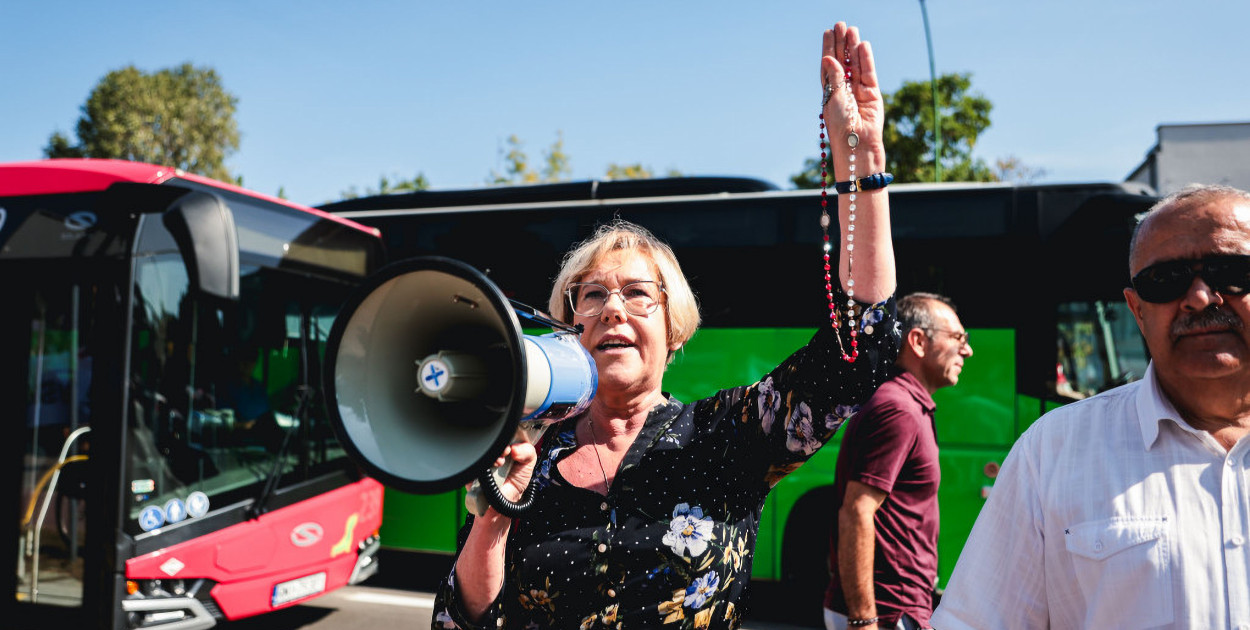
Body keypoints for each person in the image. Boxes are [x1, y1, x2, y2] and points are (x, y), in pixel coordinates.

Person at [431, 22, 901, 630]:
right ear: (573, 325)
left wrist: (861, 163)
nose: (612, 309)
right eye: (593, 294)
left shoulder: (728, 438)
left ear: (675, 328)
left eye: (636, 294)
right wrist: (498, 507)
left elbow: (859, 347)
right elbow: (459, 620)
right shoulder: (527, 451)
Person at [930, 184, 1250, 629]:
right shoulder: (1053, 451)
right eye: (1165, 281)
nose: (1198, 297)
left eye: (1231, 270)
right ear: (1137, 312)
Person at [824, 293, 972, 630]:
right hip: (889, 612)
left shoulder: (903, 401)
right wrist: (864, 619)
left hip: (895, 609)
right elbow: (857, 511)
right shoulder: (899, 409)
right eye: (958, 338)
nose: (967, 350)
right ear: (918, 341)